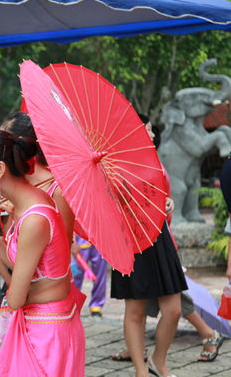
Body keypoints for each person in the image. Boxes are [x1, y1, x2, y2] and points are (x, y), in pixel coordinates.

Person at [0, 130, 85, 376]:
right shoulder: (28, 203)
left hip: (46, 333)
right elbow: (20, 262)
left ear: (0, 168)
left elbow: (16, 299)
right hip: (42, 322)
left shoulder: (33, 217)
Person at [110, 114, 187, 377]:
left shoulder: (153, 161)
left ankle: (158, 361)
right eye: (148, 130)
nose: (153, 135)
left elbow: (158, 196)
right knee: (135, 310)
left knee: (173, 310)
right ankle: (141, 371)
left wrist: (167, 203)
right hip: (130, 240)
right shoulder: (113, 167)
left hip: (158, 235)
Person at [72, 235, 107, 317]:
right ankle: (72, 302)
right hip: (80, 241)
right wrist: (73, 242)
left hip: (100, 241)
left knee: (100, 275)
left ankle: (97, 305)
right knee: (75, 274)